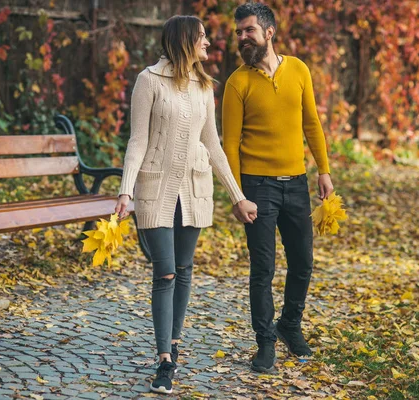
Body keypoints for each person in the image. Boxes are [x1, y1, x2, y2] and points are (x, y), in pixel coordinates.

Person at [115, 15, 258, 394]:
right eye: (202, 38)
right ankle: (163, 360)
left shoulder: (204, 87)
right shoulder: (149, 80)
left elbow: (213, 144)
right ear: (184, 42)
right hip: (155, 189)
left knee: (183, 269)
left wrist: (238, 196)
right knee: (164, 273)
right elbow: (137, 141)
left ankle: (174, 345)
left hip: (194, 190)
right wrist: (125, 191)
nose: (209, 44)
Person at [222, 2, 335, 373]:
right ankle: (265, 341)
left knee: (303, 261)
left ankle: (289, 325)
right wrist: (238, 196)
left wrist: (324, 170)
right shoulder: (237, 83)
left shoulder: (299, 70)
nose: (241, 38)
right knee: (263, 269)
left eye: (248, 30)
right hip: (258, 187)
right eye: (238, 32)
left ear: (269, 32)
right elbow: (230, 146)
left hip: (296, 184)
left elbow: (312, 124)